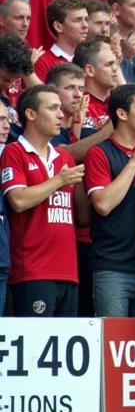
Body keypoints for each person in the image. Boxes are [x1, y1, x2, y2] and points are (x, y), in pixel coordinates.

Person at [0, 84, 84, 317]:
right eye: (53, 108)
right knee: (35, 351)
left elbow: (82, 215)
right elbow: (18, 200)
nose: (60, 114)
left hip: (68, 271)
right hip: (33, 271)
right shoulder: (14, 152)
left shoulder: (64, 156)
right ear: (30, 114)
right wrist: (59, 180)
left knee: (63, 351)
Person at [83, 83, 135, 317]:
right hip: (112, 268)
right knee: (112, 347)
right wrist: (134, 163)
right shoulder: (99, 153)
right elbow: (103, 205)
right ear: (122, 114)